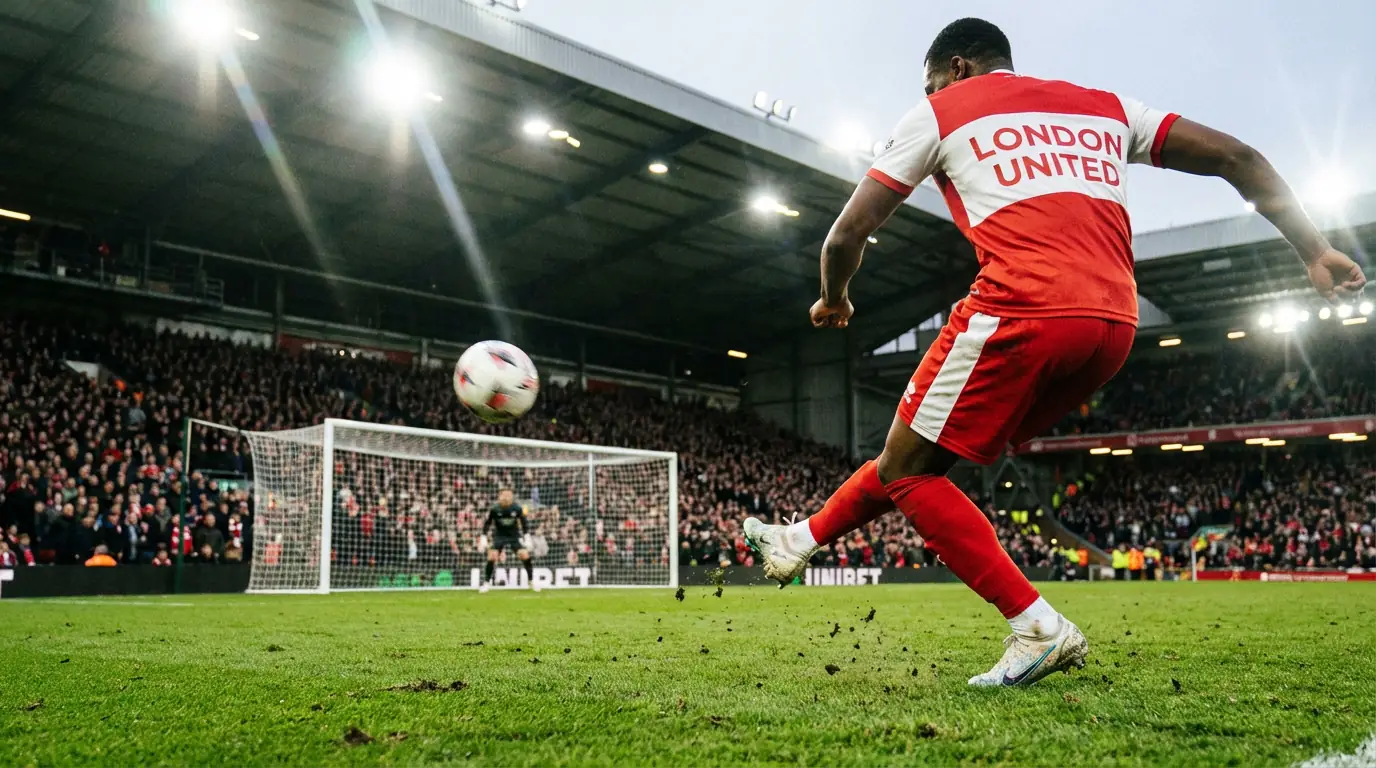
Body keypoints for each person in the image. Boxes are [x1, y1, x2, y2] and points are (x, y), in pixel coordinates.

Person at [744, 17, 1366, 687]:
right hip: (1113, 327)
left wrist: (834, 298)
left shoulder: (941, 111)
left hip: (1022, 308)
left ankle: (1036, 626)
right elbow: (1237, 158)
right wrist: (1315, 249)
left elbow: (844, 236)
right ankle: (797, 541)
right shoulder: (1107, 107)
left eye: (930, 82)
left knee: (908, 473)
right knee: (914, 457)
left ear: (956, 68)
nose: (928, 93)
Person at [479, 488, 537, 593]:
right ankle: (486, 583)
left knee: (525, 555)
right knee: (492, 556)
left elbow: (524, 522)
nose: (506, 498)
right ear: (500, 497)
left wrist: (527, 537)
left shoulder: (517, 508)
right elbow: (487, 523)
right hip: (499, 536)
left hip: (514, 536)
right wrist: (483, 537)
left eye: (509, 496)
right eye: (504, 495)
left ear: (512, 497)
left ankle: (531, 581)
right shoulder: (495, 509)